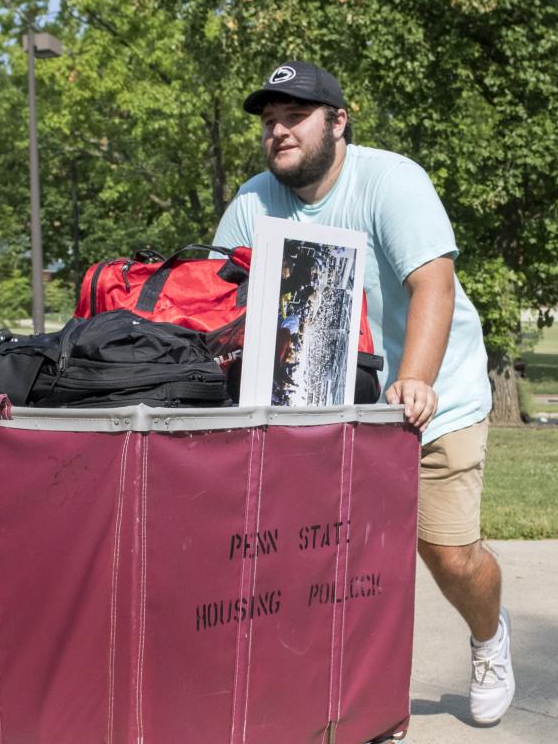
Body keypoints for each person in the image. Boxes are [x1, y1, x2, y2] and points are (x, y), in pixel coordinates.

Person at [212, 60, 514, 725]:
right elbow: (217, 299)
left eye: (294, 117)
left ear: (338, 121)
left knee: (446, 552)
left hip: (433, 393)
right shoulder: (252, 201)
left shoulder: (391, 181)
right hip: (318, 406)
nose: (279, 132)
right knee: (311, 555)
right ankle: (333, 693)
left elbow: (432, 282)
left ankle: (490, 638)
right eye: (269, 122)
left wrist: (417, 378)